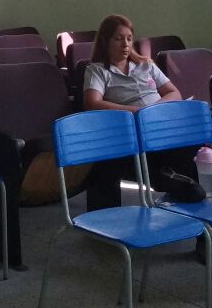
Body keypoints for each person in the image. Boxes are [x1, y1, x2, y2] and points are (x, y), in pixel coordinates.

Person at [82, 14, 193, 210]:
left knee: (193, 143)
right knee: (110, 160)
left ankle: (186, 189)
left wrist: (153, 110)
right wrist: (137, 112)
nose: (125, 44)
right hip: (129, 128)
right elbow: (92, 103)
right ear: (105, 41)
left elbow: (174, 92)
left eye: (129, 38)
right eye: (118, 39)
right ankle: (163, 177)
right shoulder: (98, 70)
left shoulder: (146, 64)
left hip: (158, 122)